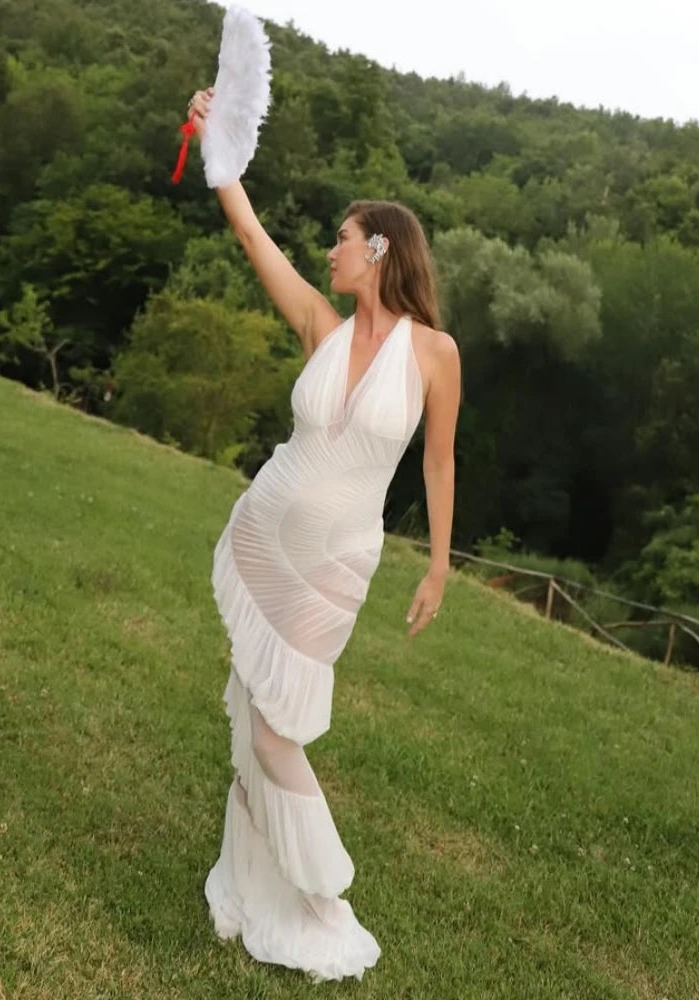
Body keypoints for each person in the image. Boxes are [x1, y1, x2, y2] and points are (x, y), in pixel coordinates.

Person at [187, 87, 461, 983]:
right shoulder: (321, 324)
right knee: (252, 706)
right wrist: (216, 141)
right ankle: (253, 880)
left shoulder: (434, 354)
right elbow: (249, 232)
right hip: (265, 534)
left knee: (279, 730)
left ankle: (319, 895)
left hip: (336, 561)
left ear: (379, 248)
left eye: (343, 238)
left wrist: (439, 568)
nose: (329, 250)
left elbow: (438, 464)